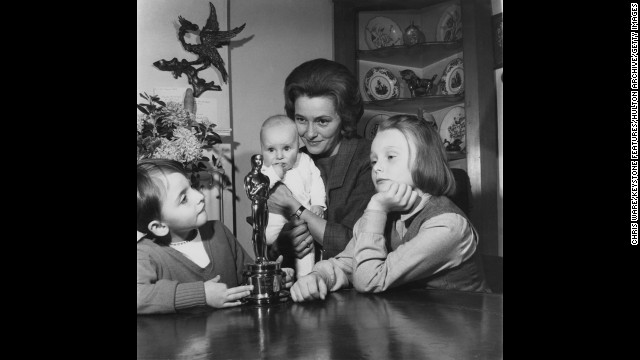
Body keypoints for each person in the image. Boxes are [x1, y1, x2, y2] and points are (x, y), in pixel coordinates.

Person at [288, 114, 490, 302]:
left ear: (425, 161)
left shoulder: (448, 226)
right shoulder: (384, 213)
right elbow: (347, 264)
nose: (376, 167)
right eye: (374, 160)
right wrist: (318, 277)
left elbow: (369, 280)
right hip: (414, 326)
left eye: (390, 157)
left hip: (461, 331)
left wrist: (376, 209)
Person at [137, 159, 294, 314]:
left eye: (191, 186)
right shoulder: (146, 253)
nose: (199, 196)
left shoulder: (219, 232)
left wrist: (269, 280)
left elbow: (246, 283)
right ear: (159, 227)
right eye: (184, 198)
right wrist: (202, 295)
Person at [267, 58, 377, 268]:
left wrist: (295, 208)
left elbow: (356, 246)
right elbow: (269, 250)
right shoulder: (291, 161)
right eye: (301, 120)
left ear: (345, 118)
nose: (309, 133)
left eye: (322, 121)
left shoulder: (369, 159)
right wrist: (285, 243)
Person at [259, 115, 326, 276]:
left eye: (287, 149)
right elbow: (259, 187)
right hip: (275, 220)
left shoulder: (305, 161)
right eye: (271, 150)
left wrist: (318, 203)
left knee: (305, 249)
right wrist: (275, 173)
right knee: (268, 243)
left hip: (303, 219)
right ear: (262, 149)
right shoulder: (265, 168)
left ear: (298, 146)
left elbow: (317, 182)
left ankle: (306, 278)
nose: (279, 156)